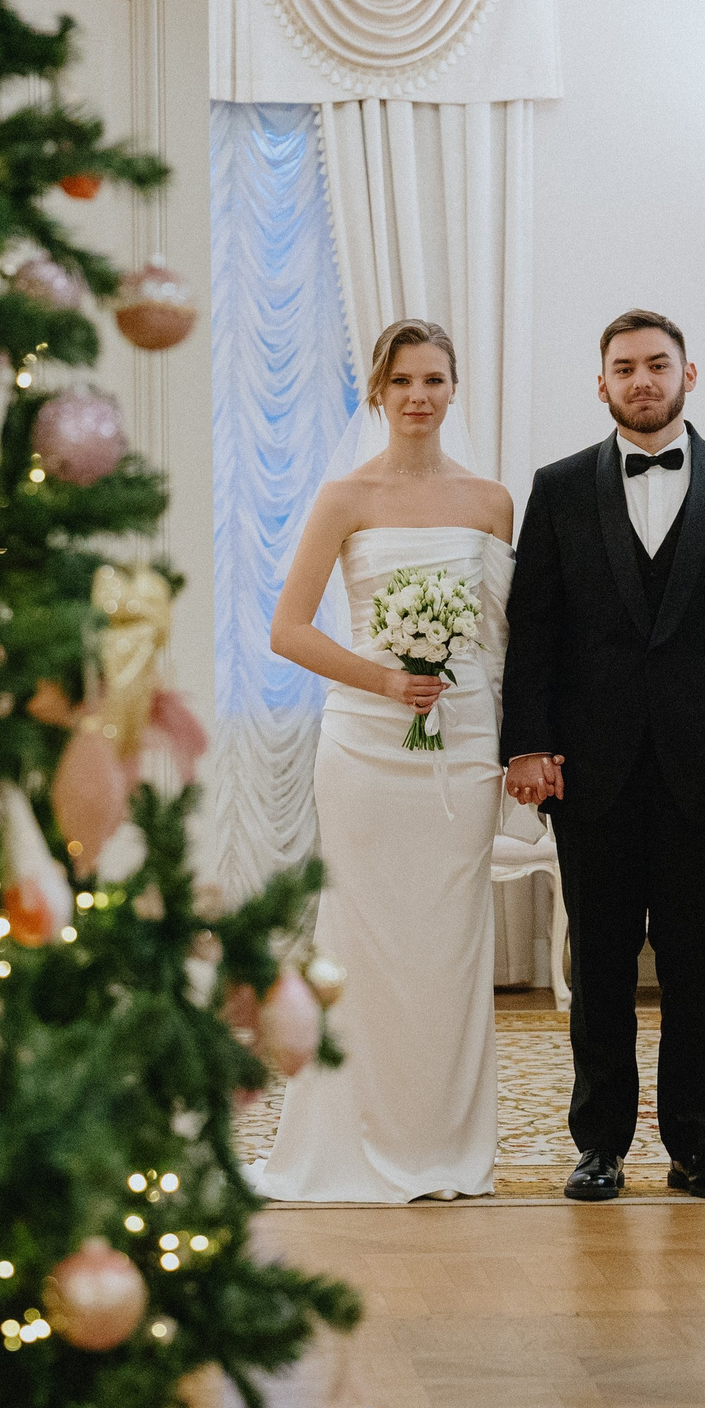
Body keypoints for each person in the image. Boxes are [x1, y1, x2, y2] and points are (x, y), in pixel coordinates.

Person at [501, 309, 705, 1203]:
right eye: (624, 367)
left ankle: (694, 1144)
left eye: (656, 365)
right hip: (588, 774)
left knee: (695, 967)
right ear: (601, 384)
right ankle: (600, 1145)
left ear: (688, 375)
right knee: (596, 967)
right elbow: (535, 633)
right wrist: (528, 744)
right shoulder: (556, 490)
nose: (641, 380)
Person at [252, 319, 516, 1202]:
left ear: (452, 391)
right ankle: (349, 1141)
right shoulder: (344, 498)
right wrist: (386, 679)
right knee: (362, 937)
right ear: (377, 391)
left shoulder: (490, 502)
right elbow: (287, 630)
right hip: (366, 748)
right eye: (402, 381)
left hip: (466, 744)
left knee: (449, 942)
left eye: (435, 380)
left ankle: (445, 1144)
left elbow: (504, 635)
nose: (418, 397)